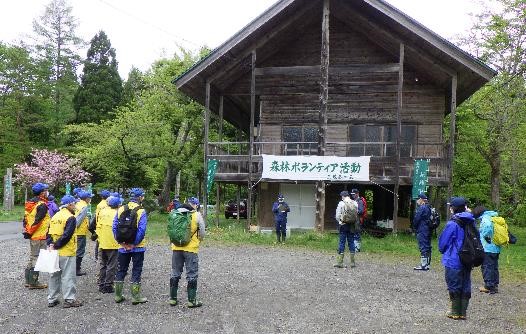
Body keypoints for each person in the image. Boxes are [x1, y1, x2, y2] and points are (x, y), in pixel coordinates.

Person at [438, 197, 475, 320]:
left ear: (454, 208)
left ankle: (454, 311)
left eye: (451, 206)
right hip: (468, 259)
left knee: (454, 284)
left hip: (454, 260)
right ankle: (463, 312)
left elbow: (443, 244)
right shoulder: (471, 221)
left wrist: (443, 250)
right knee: (465, 284)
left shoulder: (452, 224)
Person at [112, 187, 148, 305]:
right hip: (138, 247)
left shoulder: (121, 208)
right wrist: (133, 244)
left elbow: (114, 227)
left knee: (121, 269)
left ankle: (118, 296)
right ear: (140, 197)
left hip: (123, 247)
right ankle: (135, 297)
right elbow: (142, 230)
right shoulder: (141, 211)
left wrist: (122, 243)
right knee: (136, 270)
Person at [169, 197, 206, 308]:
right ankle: (191, 301)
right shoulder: (196, 215)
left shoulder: (174, 213)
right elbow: (203, 232)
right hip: (191, 249)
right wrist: (198, 240)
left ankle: (173, 299)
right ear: (194, 205)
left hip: (176, 248)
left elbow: (171, 230)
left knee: (175, 272)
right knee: (192, 274)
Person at [47, 195, 83, 308]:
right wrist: (57, 245)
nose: (76, 206)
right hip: (66, 251)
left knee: (54, 275)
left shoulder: (55, 216)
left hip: (54, 251)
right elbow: (67, 235)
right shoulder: (70, 218)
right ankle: (69, 300)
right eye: (74, 204)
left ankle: (52, 299)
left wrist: (50, 245)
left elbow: (48, 233)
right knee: (68, 276)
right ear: (69, 205)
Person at [22, 182, 51, 289]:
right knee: (37, 258)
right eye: (45, 190)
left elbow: (25, 219)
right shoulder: (42, 205)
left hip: (33, 235)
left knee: (32, 256)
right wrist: (30, 232)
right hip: (40, 235)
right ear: (42, 193)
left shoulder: (30, 203)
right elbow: (38, 221)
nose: (47, 192)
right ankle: (34, 283)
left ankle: (28, 281)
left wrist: (27, 230)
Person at [471, 206, 500, 294]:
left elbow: (486, 229)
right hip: (496, 247)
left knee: (487, 266)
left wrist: (481, 234)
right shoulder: (494, 217)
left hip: (487, 247)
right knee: (494, 266)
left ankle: (488, 286)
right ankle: (494, 285)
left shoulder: (486, 219)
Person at [95, 196, 121, 293]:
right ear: (118, 205)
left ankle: (101, 284)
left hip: (102, 242)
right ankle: (108, 285)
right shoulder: (118, 214)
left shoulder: (102, 212)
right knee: (112, 265)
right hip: (113, 243)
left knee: (103, 264)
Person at [334, 190, 359, 268]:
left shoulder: (341, 203)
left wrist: (340, 222)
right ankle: (352, 263)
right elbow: (356, 214)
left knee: (342, 242)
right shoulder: (354, 203)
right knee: (351, 242)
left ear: (343, 196)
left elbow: (337, 216)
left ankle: (340, 262)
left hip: (343, 225)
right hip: (352, 225)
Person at [412, 193, 432, 271]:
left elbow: (417, 219)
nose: (417, 200)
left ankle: (423, 265)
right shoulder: (429, 207)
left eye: (418, 199)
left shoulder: (422, 208)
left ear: (421, 199)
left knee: (423, 247)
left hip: (422, 229)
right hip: (428, 229)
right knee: (428, 247)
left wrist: (414, 227)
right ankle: (427, 264)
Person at [75, 190, 93, 276]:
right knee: (80, 250)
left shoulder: (77, 204)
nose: (90, 199)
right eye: (90, 198)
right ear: (86, 198)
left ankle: (74, 268)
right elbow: (79, 220)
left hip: (76, 232)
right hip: (80, 232)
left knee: (76, 249)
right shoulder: (84, 206)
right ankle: (77, 269)